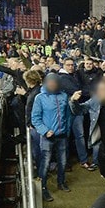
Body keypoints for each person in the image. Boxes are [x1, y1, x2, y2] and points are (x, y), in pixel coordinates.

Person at [32, 72, 72, 201]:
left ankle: (61, 182)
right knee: (45, 164)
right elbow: (35, 118)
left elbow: (68, 115)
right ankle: (43, 189)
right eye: (50, 82)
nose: (53, 85)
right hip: (48, 137)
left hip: (62, 136)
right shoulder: (40, 98)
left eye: (55, 82)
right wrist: (45, 131)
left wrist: (67, 129)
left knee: (63, 161)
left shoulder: (64, 96)